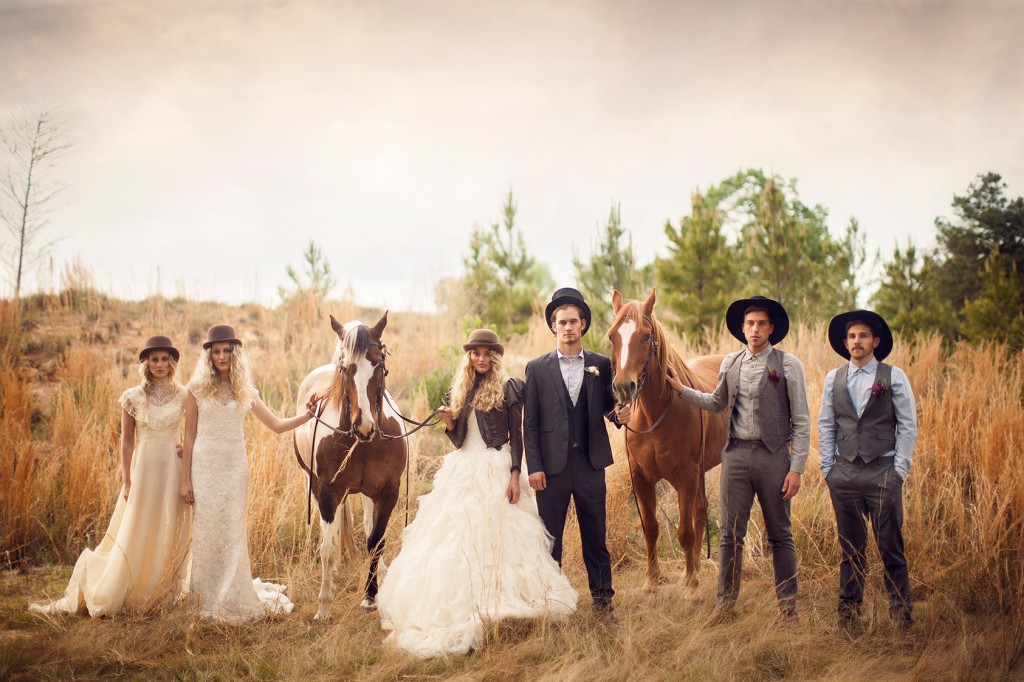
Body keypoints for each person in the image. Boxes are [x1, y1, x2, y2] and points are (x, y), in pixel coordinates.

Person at [377, 329, 577, 657]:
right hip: (462, 468)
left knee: (497, 539)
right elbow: (460, 441)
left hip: (495, 467)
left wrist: (515, 475)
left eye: (487, 354)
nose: (481, 359)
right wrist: (451, 422)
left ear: (495, 357)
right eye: (475, 353)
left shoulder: (509, 388)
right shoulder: (460, 390)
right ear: (468, 356)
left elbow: (517, 435)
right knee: (452, 541)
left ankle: (501, 604)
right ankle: (457, 607)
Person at [666, 296, 809, 619]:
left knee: (780, 534)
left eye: (761, 324)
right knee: (730, 534)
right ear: (742, 329)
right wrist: (679, 389)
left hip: (774, 457)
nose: (755, 329)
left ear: (771, 328)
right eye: (750, 324)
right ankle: (724, 604)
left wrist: (796, 468)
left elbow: (801, 421)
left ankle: (788, 608)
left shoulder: (788, 365)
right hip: (735, 456)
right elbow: (716, 402)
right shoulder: (731, 362)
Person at [29, 336, 192, 616]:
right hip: (144, 468)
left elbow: (193, 433)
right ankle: (132, 587)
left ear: (172, 362)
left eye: (165, 359)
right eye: (154, 359)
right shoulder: (132, 397)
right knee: (138, 524)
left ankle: (164, 590)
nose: (160, 364)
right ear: (146, 363)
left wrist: (186, 449)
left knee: (169, 525)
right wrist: (126, 479)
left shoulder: (185, 395)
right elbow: (127, 441)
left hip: (172, 468)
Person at [180, 324, 316, 623]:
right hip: (204, 465)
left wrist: (307, 415)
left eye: (226, 351)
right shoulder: (195, 390)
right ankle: (203, 597)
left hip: (234, 467)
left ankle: (231, 594)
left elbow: (277, 425)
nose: (221, 356)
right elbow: (189, 436)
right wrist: (185, 479)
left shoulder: (246, 391)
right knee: (206, 531)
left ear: (234, 353)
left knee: (231, 530)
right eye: (215, 352)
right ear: (209, 356)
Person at [524, 288, 632, 615]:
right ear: (553, 326)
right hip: (551, 469)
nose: (568, 327)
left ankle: (603, 600)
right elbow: (530, 424)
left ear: (583, 325)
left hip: (589, 463)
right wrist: (535, 468)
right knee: (550, 540)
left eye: (574, 321)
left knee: (595, 536)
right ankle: (552, 602)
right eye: (562, 322)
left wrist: (620, 416)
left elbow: (610, 410)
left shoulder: (600, 365)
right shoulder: (536, 368)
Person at [818, 310, 917, 630]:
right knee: (850, 548)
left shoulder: (894, 376)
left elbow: (908, 426)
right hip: (844, 474)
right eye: (851, 337)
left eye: (862, 335)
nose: (856, 341)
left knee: (890, 546)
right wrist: (828, 468)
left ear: (875, 341)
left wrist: (899, 470)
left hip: (883, 472)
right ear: (845, 343)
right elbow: (826, 424)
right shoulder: (834, 378)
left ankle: (901, 615)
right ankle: (848, 615)